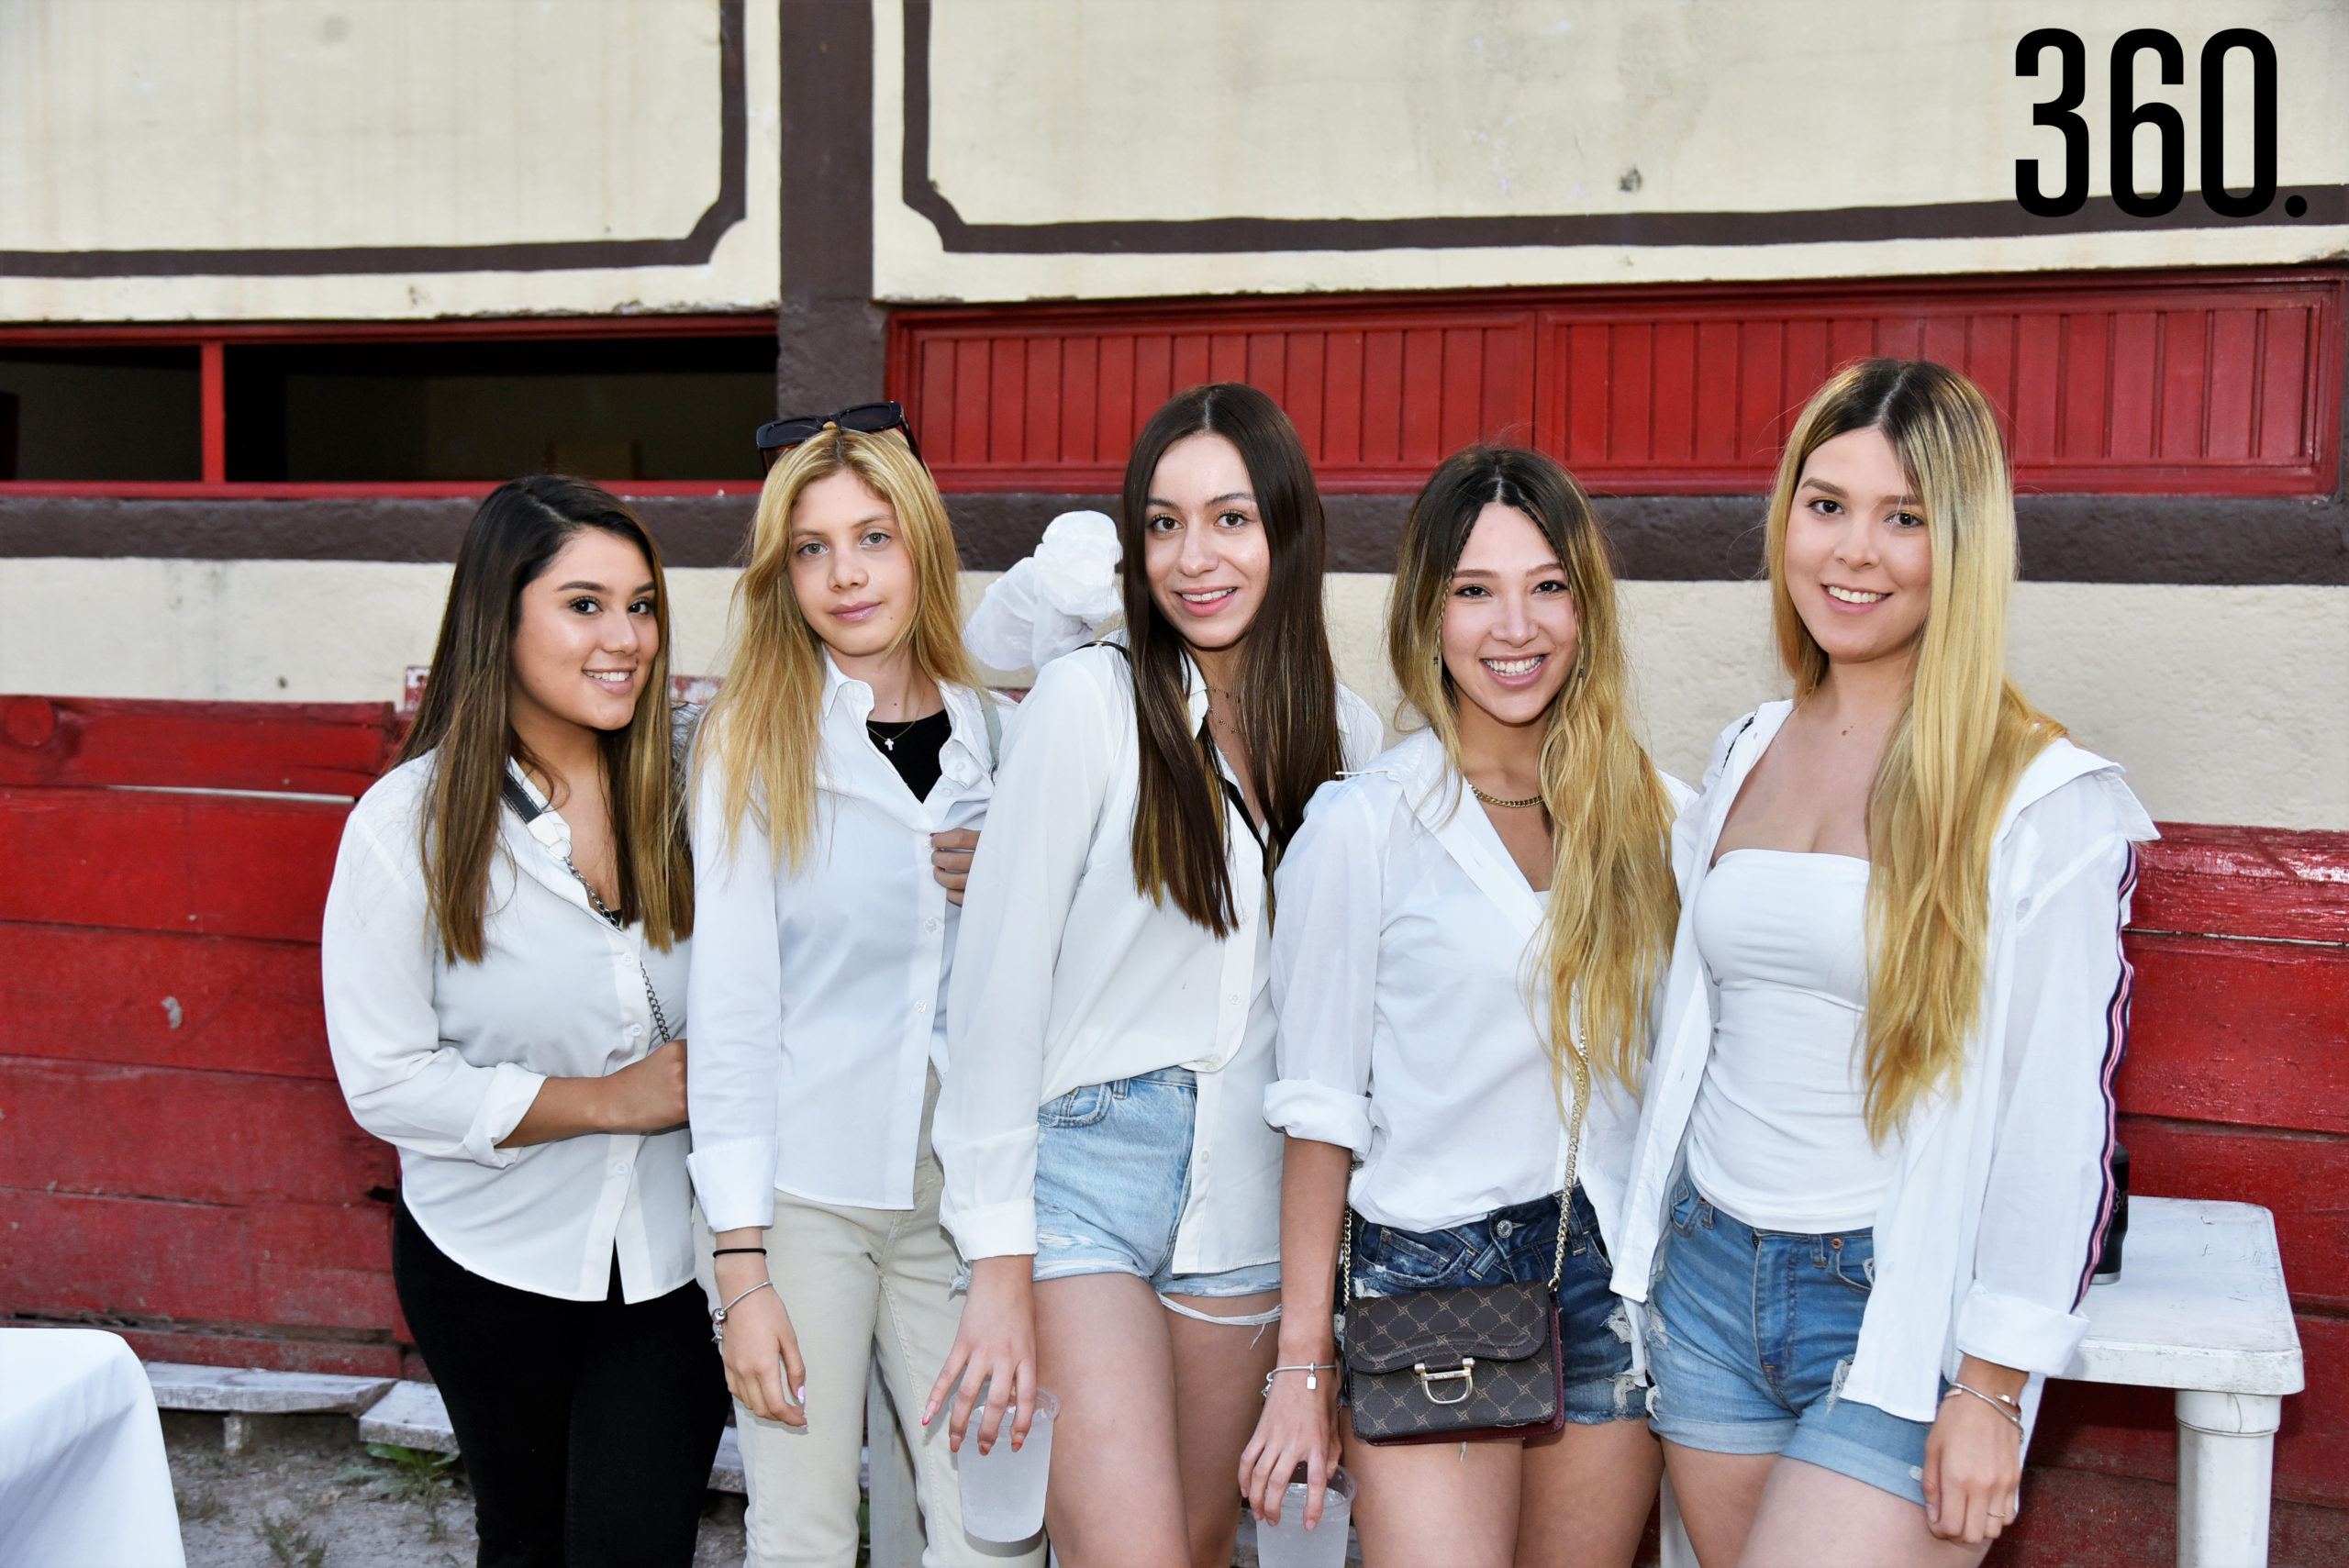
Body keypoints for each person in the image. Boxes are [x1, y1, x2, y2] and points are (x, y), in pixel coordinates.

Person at [1608, 360, 2154, 1566]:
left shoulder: (2043, 800)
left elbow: (2057, 1114)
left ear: (1962, 542)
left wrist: (1994, 1385)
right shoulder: (1748, 745)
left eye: (1903, 517)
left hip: (1897, 1307)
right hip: (1706, 1281)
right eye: (1827, 504)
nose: (1855, 551)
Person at [925, 383, 1386, 1568]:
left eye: (1230, 519)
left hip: (1249, 1190)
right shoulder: (1086, 702)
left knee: (1191, 1547)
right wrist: (996, 1265)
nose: (1196, 558)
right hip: (1083, 1173)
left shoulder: (1348, 741)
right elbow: (995, 994)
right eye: (1165, 524)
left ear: (1286, 531)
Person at [1240, 446, 1685, 1568]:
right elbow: (1318, 1110)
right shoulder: (1364, 826)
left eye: (1546, 585)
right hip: (1434, 1284)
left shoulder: (1655, 818)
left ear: (1586, 606)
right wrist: (1303, 1366)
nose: (1514, 625)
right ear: (1427, 614)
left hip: (1613, 1284)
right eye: (1474, 590)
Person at [322, 475, 724, 1568]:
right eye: (585, 604)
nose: (626, 637)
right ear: (499, 617)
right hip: (490, 1256)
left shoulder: (698, 783)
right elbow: (385, 1078)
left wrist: (969, 852)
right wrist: (608, 1100)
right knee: (526, 1540)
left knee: (636, 1545)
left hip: (674, 1256)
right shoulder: (406, 822)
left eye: (641, 605)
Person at [686, 414, 1039, 1568]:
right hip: (802, 1199)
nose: (845, 573)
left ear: (921, 547)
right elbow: (732, 1014)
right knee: (802, 1533)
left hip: (965, 1201)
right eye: (810, 547)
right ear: (780, 575)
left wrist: (1021, 886)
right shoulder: (751, 741)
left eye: (872, 537)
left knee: (991, 1525)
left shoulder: (1009, 734)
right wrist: (741, 1267)